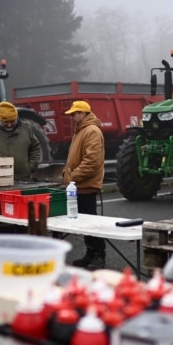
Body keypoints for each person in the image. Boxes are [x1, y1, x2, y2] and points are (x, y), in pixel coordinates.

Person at [63, 100, 106, 269]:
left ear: (83, 114)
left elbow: (92, 162)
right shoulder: (81, 130)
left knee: (91, 221)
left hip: (85, 185)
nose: (72, 117)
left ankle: (99, 255)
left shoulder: (91, 131)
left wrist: (72, 177)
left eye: (74, 114)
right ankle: (91, 253)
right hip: (78, 185)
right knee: (84, 221)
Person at [0, 101, 41, 181]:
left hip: (23, 179)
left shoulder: (25, 129)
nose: (9, 125)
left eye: (12, 121)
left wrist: (31, 166)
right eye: (5, 122)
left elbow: (35, 148)